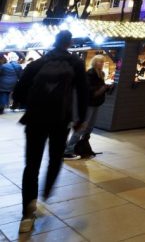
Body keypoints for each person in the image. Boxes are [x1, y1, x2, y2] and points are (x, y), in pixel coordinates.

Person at [12, 30, 88, 234]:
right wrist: (79, 119)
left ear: (54, 42)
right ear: (70, 42)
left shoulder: (38, 63)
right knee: (55, 159)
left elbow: (18, 91)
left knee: (31, 165)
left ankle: (28, 213)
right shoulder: (76, 64)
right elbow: (83, 93)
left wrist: (34, 104)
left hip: (35, 120)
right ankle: (46, 190)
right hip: (60, 121)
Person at [63, 55, 111, 159]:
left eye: (103, 62)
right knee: (81, 127)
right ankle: (69, 149)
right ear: (94, 63)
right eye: (100, 62)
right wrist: (102, 88)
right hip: (88, 104)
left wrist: (105, 88)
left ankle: (83, 146)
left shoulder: (101, 74)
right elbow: (89, 90)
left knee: (89, 127)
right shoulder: (90, 73)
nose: (102, 64)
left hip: (96, 103)